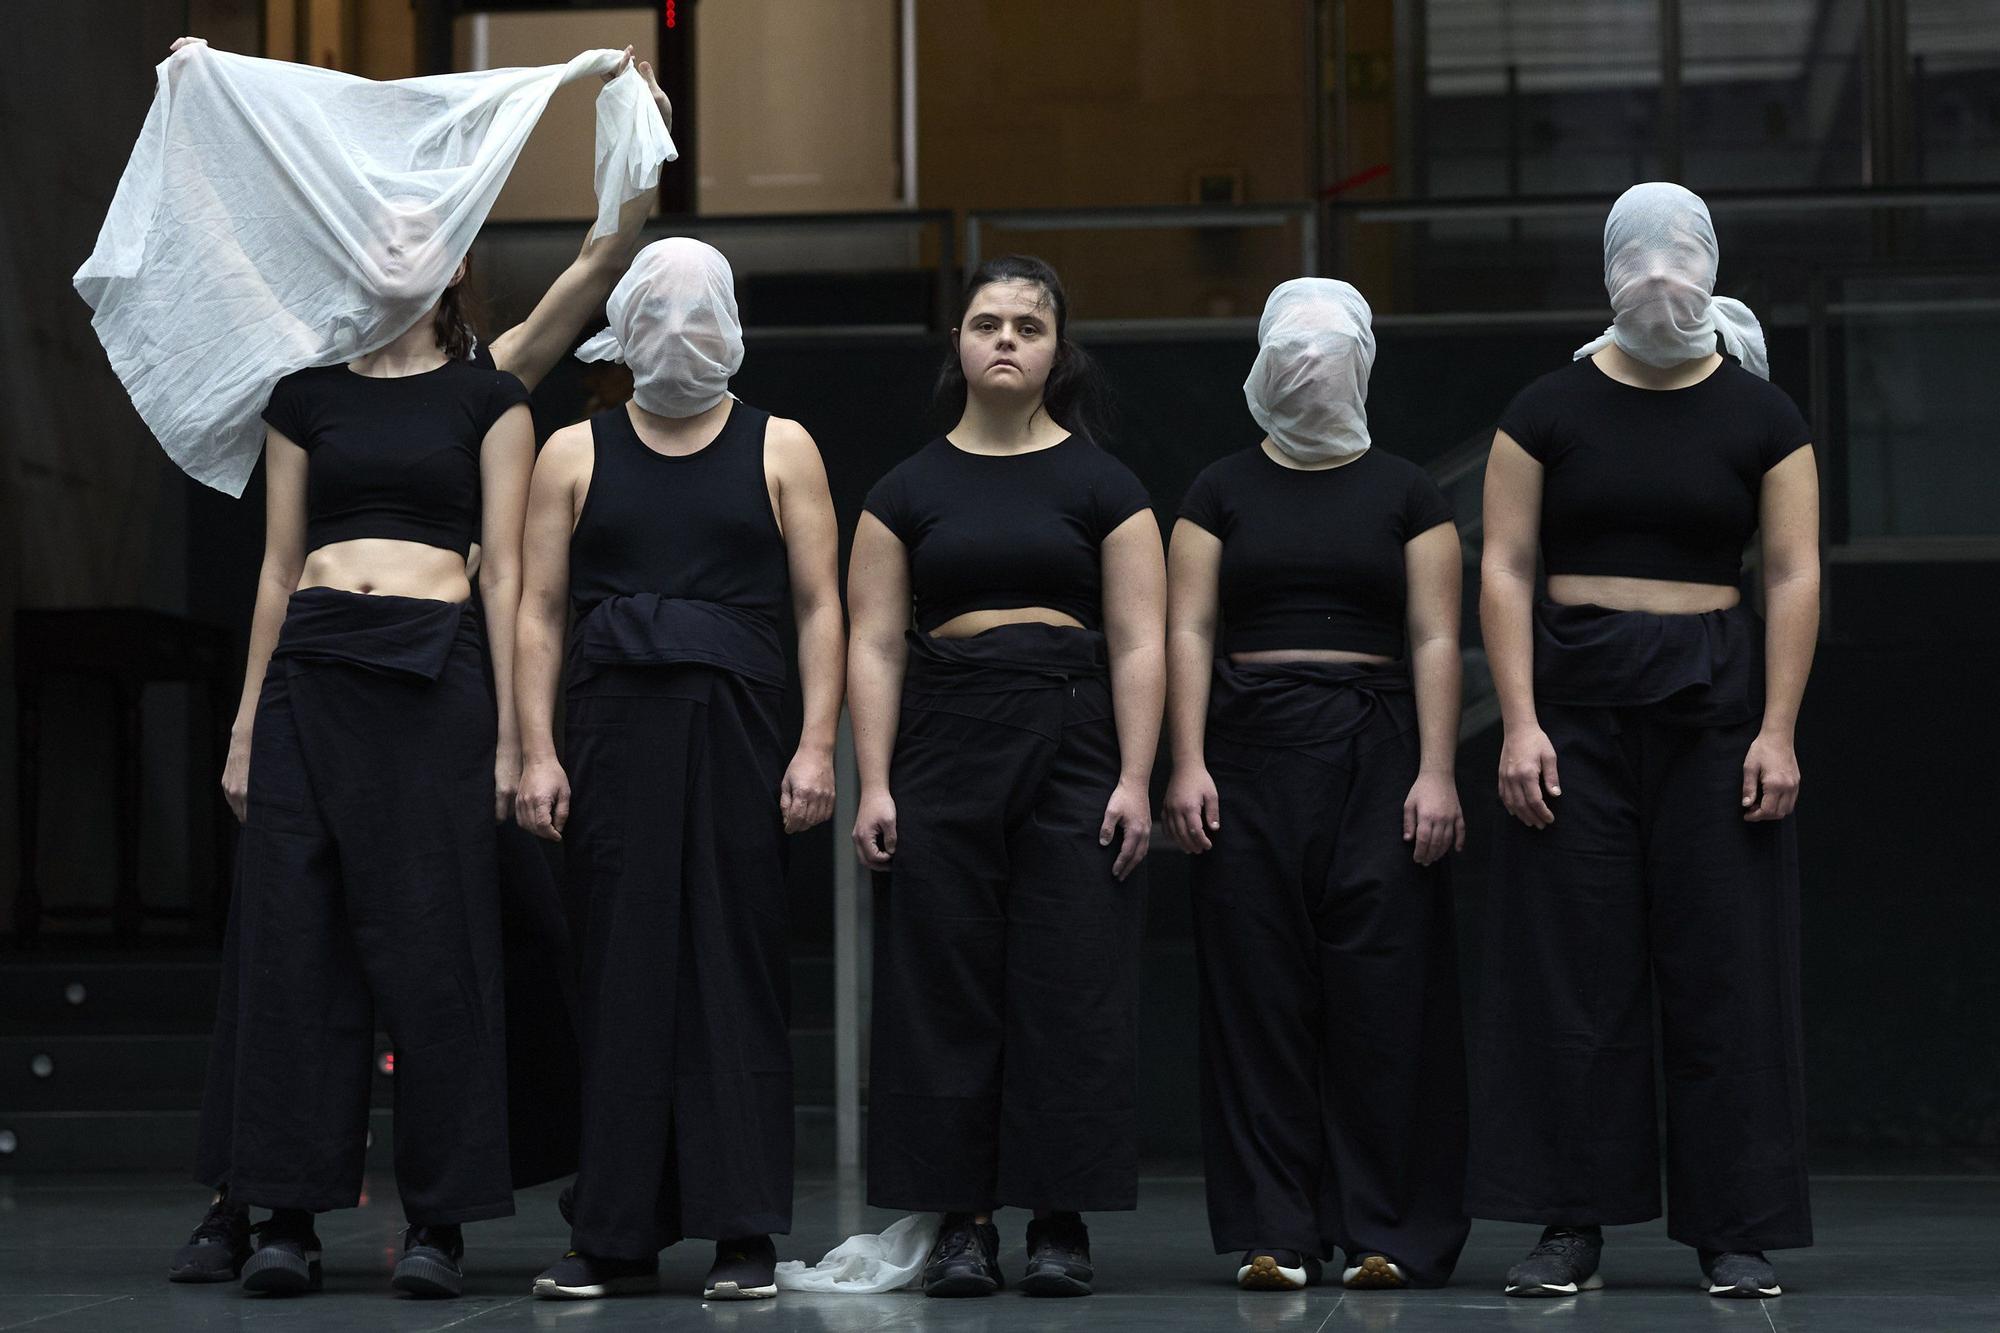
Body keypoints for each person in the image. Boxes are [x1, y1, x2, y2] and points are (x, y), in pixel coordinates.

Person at [164, 37, 675, 1297]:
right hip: (311, 678)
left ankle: (440, 1221)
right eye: (377, 230)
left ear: (453, 259)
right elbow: (278, 571)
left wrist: (619, 108)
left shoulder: (487, 392)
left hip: (437, 676)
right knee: (290, 941)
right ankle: (281, 1212)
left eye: (424, 230)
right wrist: (241, 728)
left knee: (437, 941)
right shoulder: (304, 395)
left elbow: (505, 572)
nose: (399, 245)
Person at [1468, 181, 1819, 1302]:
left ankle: (1733, 1227)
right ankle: (1570, 1225)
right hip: (1573, 714)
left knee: (1724, 970)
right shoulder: (1544, 409)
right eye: (1641, 251)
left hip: (1713, 712)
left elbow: (1790, 570)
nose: (1660, 271)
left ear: (1711, 259)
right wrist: (1516, 721)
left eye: (1681, 250)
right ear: (1608, 264)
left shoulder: (1763, 417)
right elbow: (1504, 567)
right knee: (1573, 971)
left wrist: (1776, 726)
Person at [512, 238, 843, 1303]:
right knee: (618, 971)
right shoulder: (571, 450)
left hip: (741, 731)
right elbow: (538, 611)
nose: (685, 333)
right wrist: (534, 749)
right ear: (628, 326)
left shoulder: (783, 445)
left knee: (732, 969)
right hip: (609, 732)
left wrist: (814, 745)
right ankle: (613, 1230)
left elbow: (819, 606)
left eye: (706, 315)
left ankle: (741, 1228)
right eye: (664, 313)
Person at [847, 254, 1166, 1299]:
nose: (1004, 340)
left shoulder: (1105, 487)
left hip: (1073, 741)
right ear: (957, 343)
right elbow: (875, 643)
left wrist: (1132, 775)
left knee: (1070, 980)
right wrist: (876, 781)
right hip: (942, 739)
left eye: (1027, 326)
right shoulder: (903, 491)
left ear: (1056, 352)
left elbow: (1136, 639)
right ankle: (962, 1224)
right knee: (941, 983)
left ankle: (1058, 1223)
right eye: (986, 322)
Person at [1165, 278, 1470, 1292]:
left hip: (1378, 750)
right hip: (1246, 749)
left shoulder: (1407, 493)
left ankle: (1387, 1226)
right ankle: (1272, 1228)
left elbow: (1435, 635)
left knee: (1385, 992)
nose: (1308, 366)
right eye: (1289, 350)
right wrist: (1187, 758)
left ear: (1363, 361)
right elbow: (1187, 630)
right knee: (1256, 991)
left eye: (1327, 349)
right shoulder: (1216, 490)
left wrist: (1434, 770)